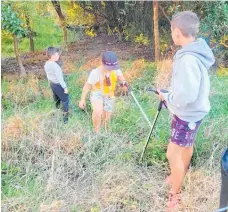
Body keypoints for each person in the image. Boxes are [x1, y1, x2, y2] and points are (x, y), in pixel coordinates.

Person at [157, 11, 215, 210]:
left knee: (172, 154)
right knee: (186, 145)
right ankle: (178, 174)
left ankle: (176, 194)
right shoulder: (195, 52)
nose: (172, 34)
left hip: (187, 114)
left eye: (172, 31)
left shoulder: (187, 59)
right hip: (194, 112)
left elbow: (186, 95)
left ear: (178, 32)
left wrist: (168, 97)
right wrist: (171, 94)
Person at [79, 51, 128, 133]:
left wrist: (124, 83)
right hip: (97, 93)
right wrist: (82, 99)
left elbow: (121, 77)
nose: (111, 69)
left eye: (113, 67)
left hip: (109, 94)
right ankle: (96, 131)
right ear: (102, 63)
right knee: (98, 111)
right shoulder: (95, 73)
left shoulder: (115, 69)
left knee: (106, 117)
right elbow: (87, 86)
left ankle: (105, 131)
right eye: (108, 67)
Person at [44, 47, 69, 124]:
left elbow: (48, 75)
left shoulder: (46, 64)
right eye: (57, 54)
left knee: (57, 99)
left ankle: (57, 111)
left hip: (52, 84)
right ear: (52, 56)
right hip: (58, 85)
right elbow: (60, 78)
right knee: (66, 100)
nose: (58, 55)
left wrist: (50, 83)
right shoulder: (55, 66)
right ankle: (65, 119)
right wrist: (65, 87)